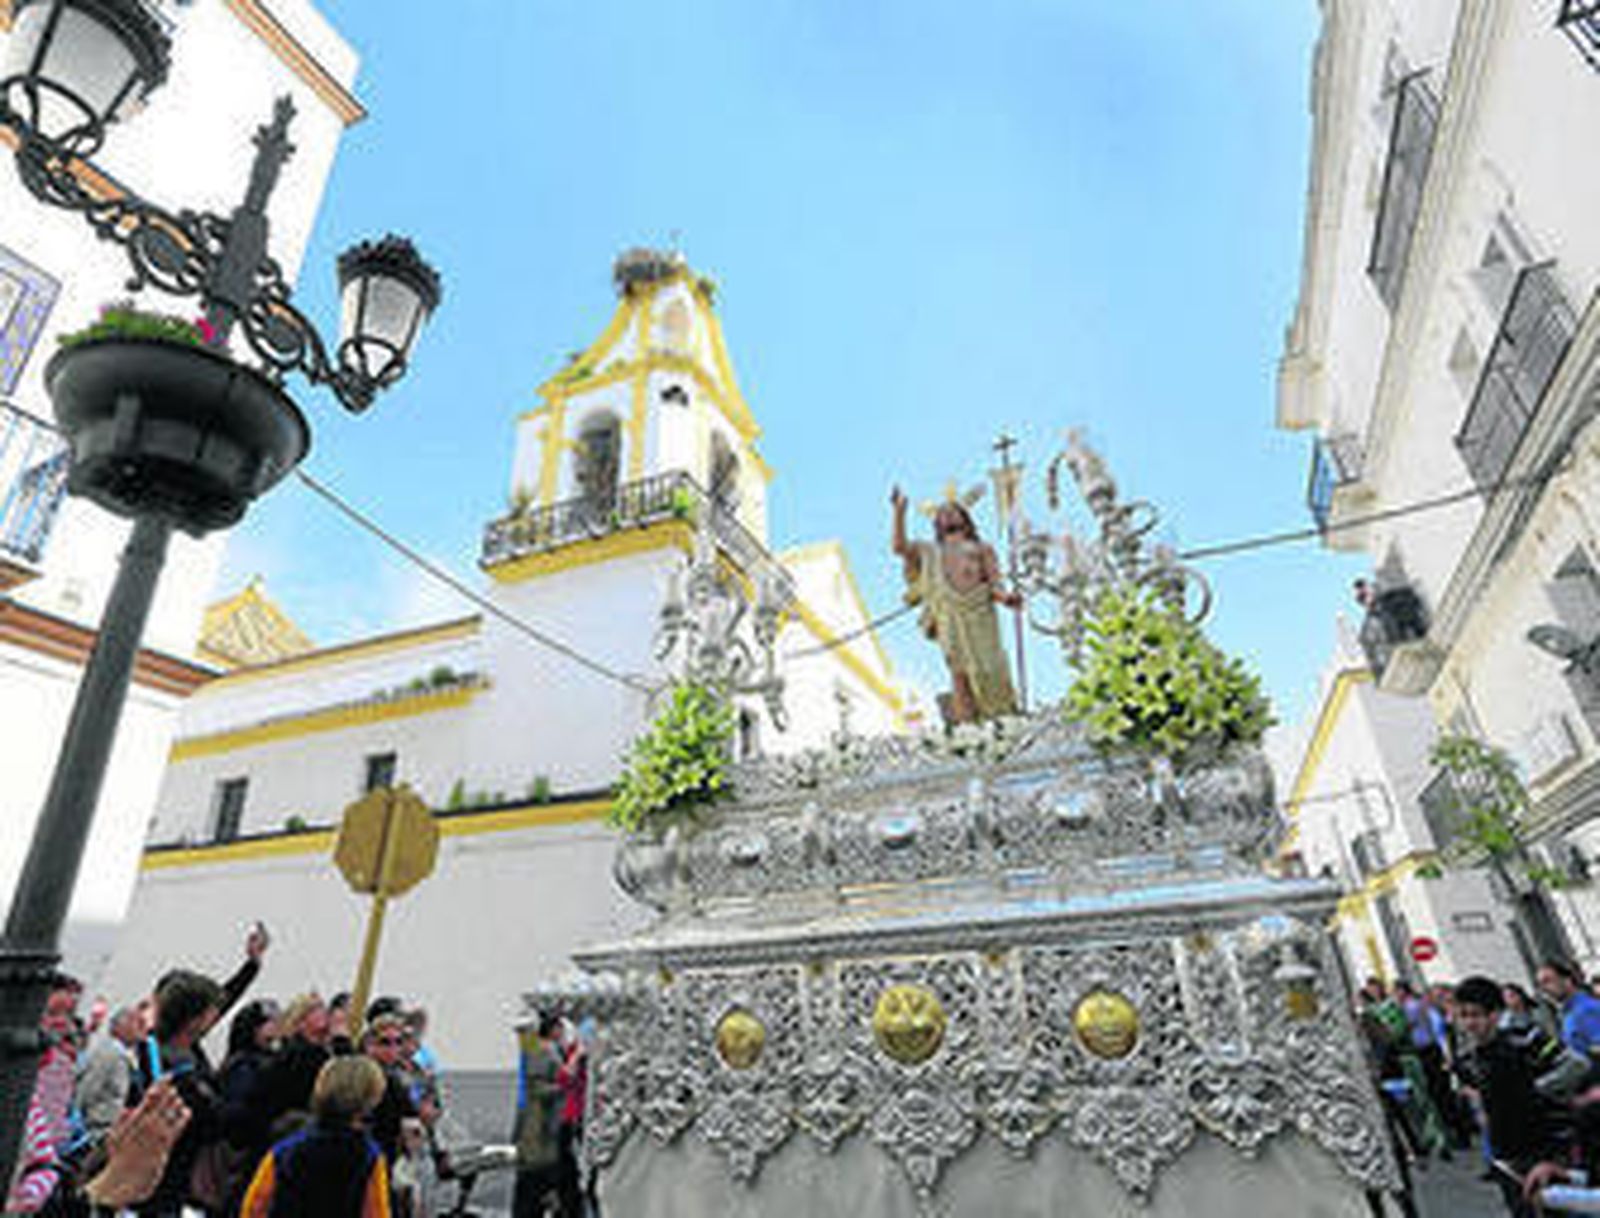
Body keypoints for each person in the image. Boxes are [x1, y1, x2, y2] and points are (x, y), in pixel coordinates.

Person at [890, 484, 1020, 724]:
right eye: (942, 512)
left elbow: (994, 583)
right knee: (959, 673)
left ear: (965, 517)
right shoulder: (929, 550)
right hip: (948, 613)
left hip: (979, 612)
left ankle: (1004, 721)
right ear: (936, 523)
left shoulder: (981, 548)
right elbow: (899, 547)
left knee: (991, 668)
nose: (947, 514)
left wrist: (1007, 598)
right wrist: (899, 512)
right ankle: (968, 732)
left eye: (953, 510)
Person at [1453, 976, 1570, 1216]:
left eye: (1475, 1015)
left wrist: (1536, 1090)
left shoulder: (1525, 1040)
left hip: (1546, 1149)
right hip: (1506, 1157)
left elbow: (1574, 1065)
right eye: (1463, 1016)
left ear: (1495, 1014)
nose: (1469, 1023)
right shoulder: (1467, 1060)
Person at [240, 1056, 392, 1218]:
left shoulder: (287, 1149)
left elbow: (255, 1206)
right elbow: (376, 1212)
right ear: (371, 1099)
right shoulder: (369, 1155)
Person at [136, 970, 228, 1217]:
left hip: (171, 1179)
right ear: (194, 1019)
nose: (216, 1016)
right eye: (211, 1011)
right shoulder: (176, 1067)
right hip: (159, 1182)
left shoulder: (153, 1049)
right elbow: (211, 1122)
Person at [7, 973, 82, 1213]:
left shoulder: (61, 1060)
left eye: (69, 1015)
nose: (62, 1023)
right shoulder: (20, 1072)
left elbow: (45, 1163)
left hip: (49, 1152)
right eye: (51, 1013)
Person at [511, 1013, 566, 1218]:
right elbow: (534, 1090)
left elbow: (534, 1089)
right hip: (539, 1134)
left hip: (539, 1134)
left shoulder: (538, 1050)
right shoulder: (540, 1050)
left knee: (532, 1192)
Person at [76, 1001, 149, 1145]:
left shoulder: (129, 1056)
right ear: (118, 1027)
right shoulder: (109, 1054)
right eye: (136, 1022)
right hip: (98, 1132)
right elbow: (87, 1091)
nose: (142, 1028)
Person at [363, 1014, 420, 1166]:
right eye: (385, 1042)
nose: (392, 1048)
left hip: (389, 1157)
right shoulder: (362, 1077)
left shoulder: (399, 1079)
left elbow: (411, 1120)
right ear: (370, 1044)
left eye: (398, 1042)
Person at [1537, 959, 1600, 1060]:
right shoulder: (1564, 1014)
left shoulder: (1586, 1009)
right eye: (1541, 985)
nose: (1544, 989)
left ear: (1567, 980)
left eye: (1547, 981)